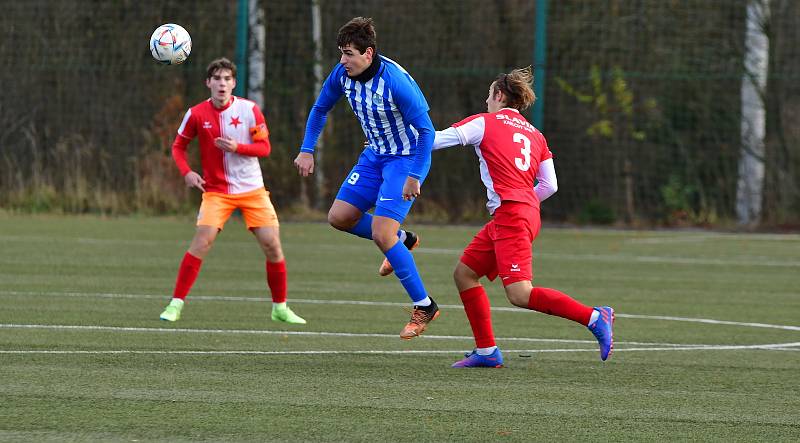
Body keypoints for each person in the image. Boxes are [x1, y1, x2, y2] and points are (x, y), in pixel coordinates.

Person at [431, 67, 614, 367]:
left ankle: (595, 317)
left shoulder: (485, 122)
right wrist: (525, 201)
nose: (485, 100)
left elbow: (436, 141)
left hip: (512, 215)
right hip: (521, 213)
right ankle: (487, 352)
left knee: (519, 294)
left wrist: (394, 144)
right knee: (464, 274)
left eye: (488, 95)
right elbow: (550, 185)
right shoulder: (536, 135)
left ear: (499, 96)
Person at [293, 17, 437, 339]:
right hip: (374, 156)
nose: (342, 61)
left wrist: (415, 176)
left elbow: (426, 132)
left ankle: (425, 305)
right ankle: (404, 240)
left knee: (381, 233)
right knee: (339, 217)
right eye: (341, 53)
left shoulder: (395, 82)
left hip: (404, 159)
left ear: (368, 54)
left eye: (349, 54)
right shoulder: (342, 75)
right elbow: (319, 109)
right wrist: (307, 149)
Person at [159, 57, 306, 325]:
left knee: (272, 246)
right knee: (202, 241)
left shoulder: (250, 110)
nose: (222, 84)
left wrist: (238, 148)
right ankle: (175, 304)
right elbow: (178, 147)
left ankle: (280, 308)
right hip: (216, 192)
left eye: (227, 79)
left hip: (252, 190)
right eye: (217, 79)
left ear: (234, 83)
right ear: (208, 83)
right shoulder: (196, 114)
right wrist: (188, 173)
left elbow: (265, 149)